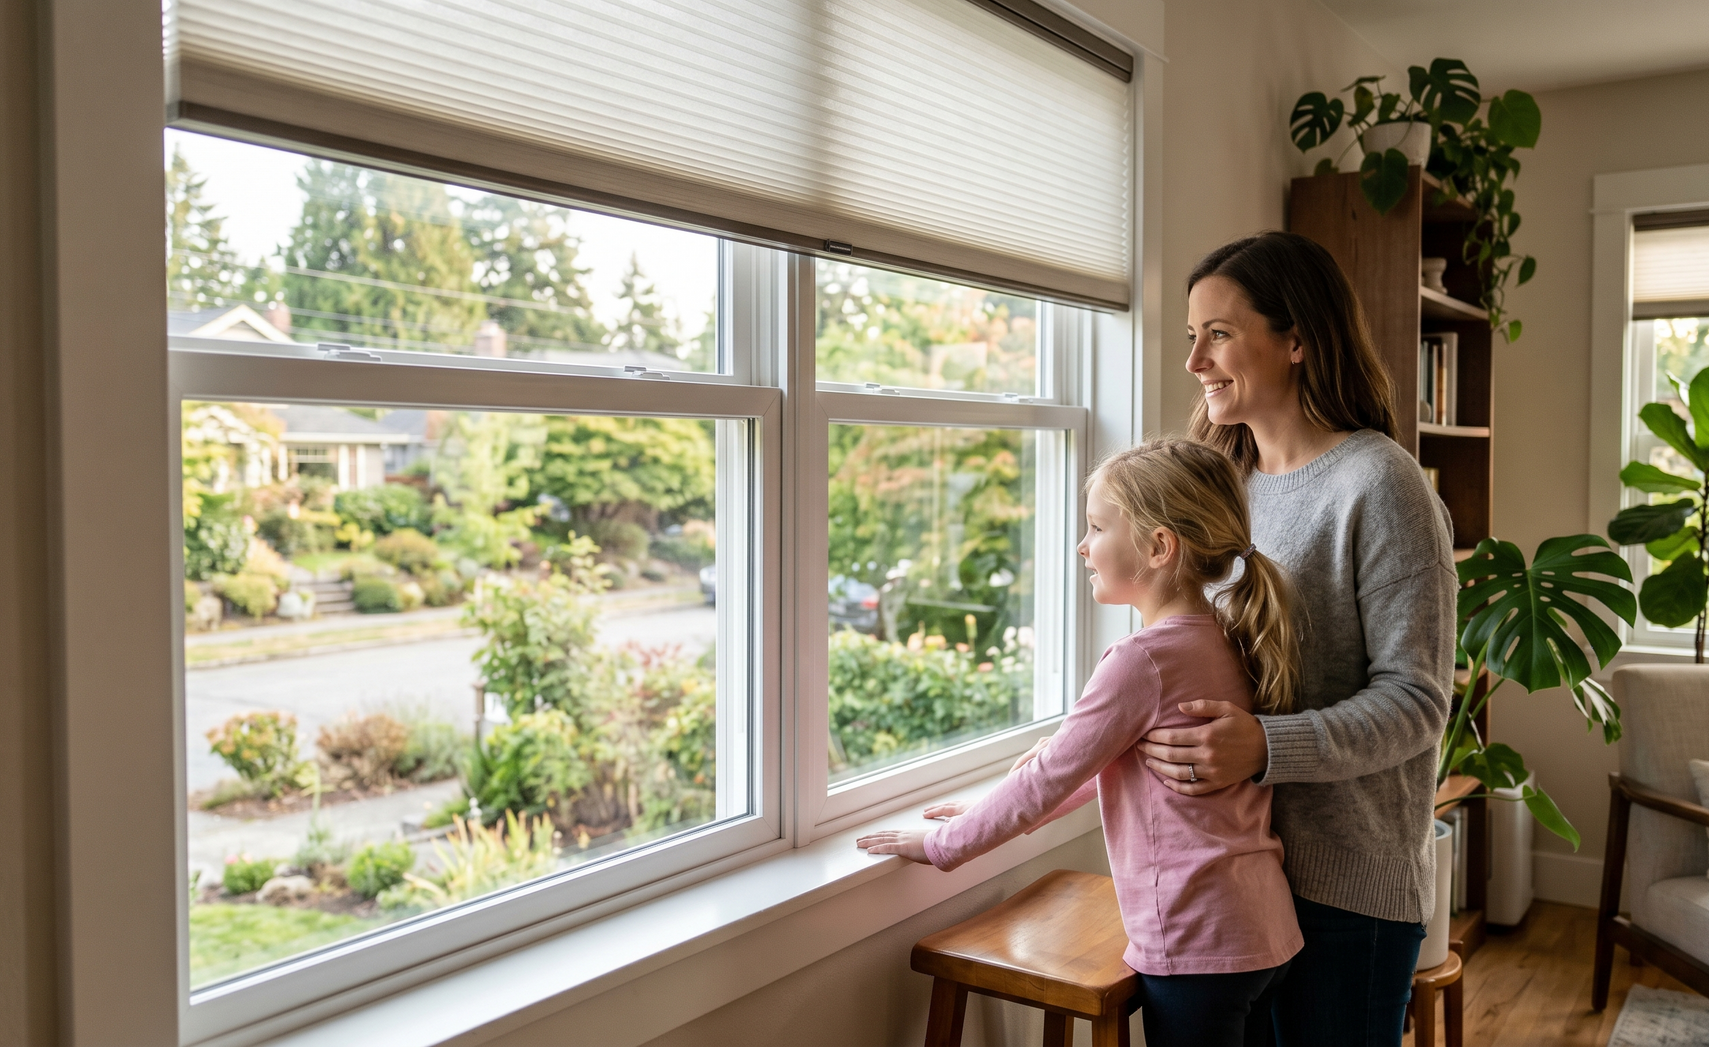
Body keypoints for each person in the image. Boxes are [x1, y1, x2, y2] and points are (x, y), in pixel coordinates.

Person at [858, 439, 1305, 1047]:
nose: (1082, 545)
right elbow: (1100, 769)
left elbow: (1048, 776)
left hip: (1197, 944)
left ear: (1158, 547)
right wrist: (985, 810)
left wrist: (942, 844)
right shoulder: (1226, 638)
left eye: (1096, 527)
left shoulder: (1142, 661)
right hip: (1265, 932)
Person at [1135, 231, 1456, 1046]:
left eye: (1217, 333)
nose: (1194, 361)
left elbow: (1416, 702)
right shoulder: (1221, 483)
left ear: (1298, 339)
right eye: (1190, 336)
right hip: (1230, 876)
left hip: (1344, 889)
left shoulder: (1379, 484)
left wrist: (1263, 747)